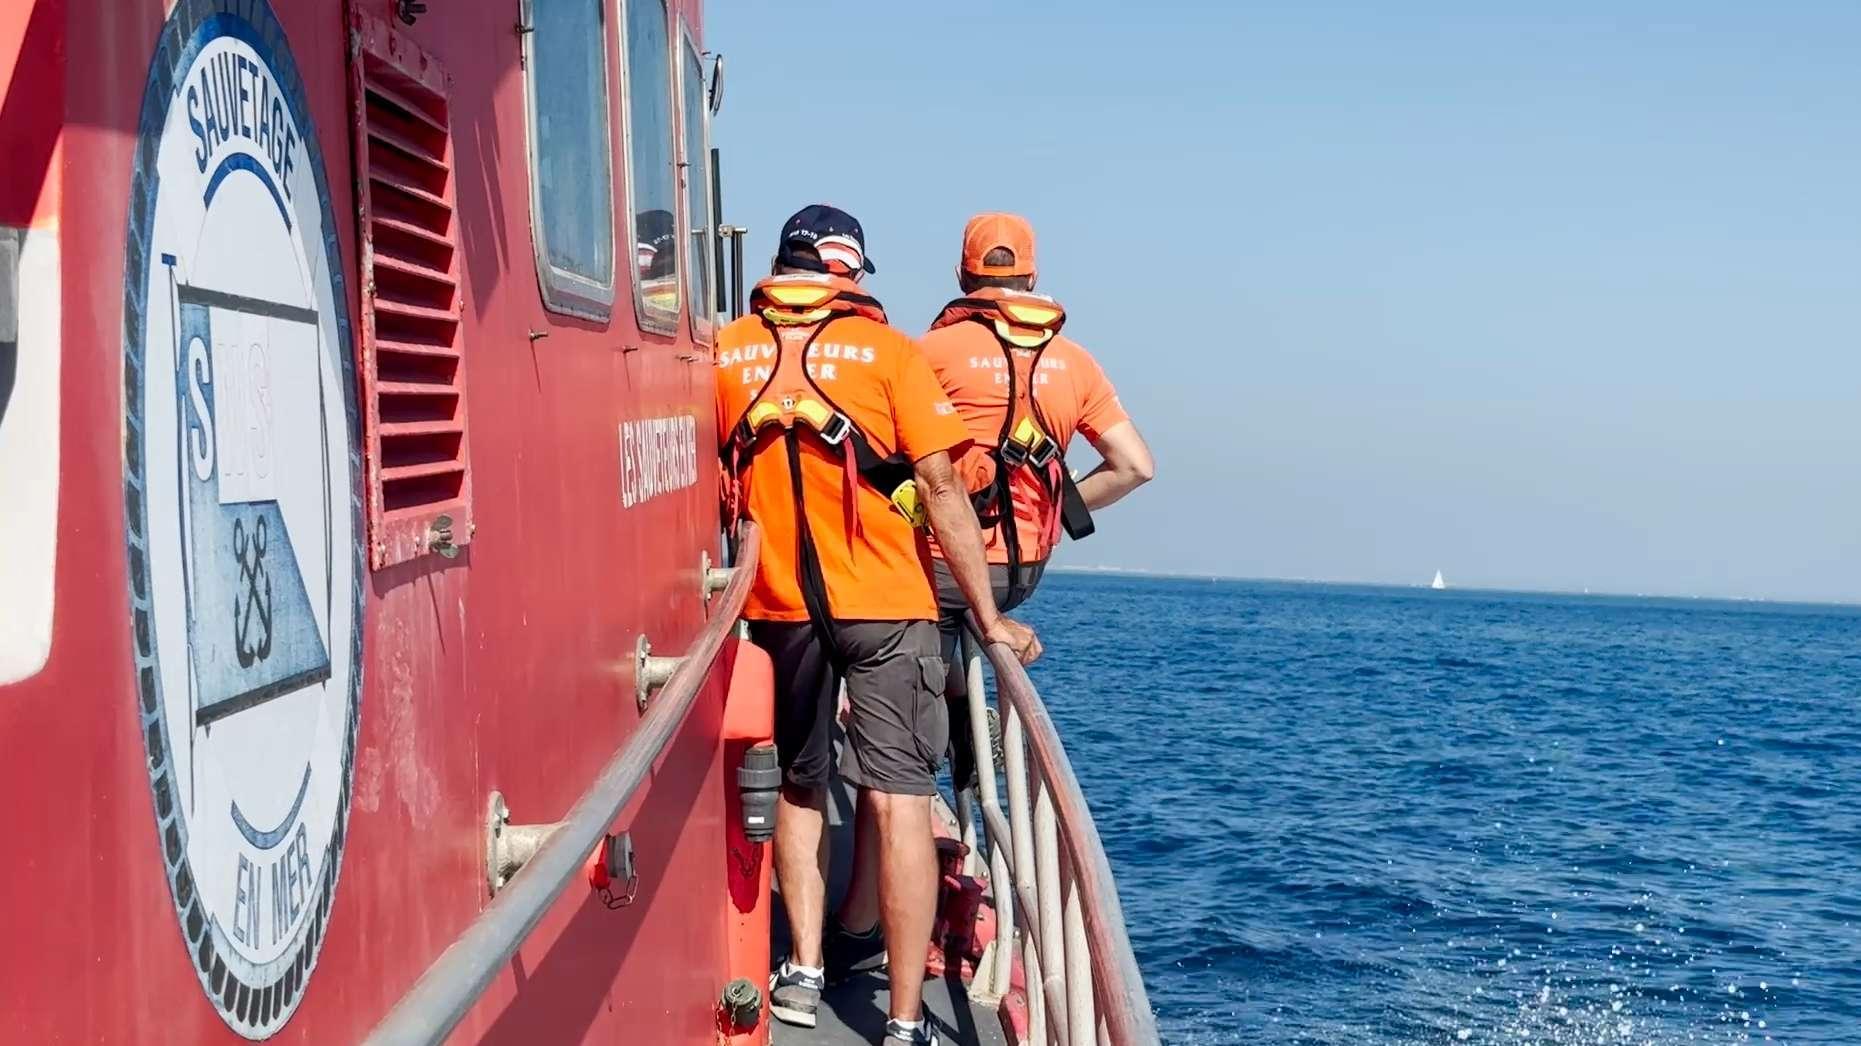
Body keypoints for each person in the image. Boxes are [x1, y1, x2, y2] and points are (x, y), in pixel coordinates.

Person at [715, 204, 1040, 1046]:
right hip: (888, 607)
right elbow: (940, 485)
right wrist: (988, 615)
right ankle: (902, 1020)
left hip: (780, 606)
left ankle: (801, 973)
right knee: (898, 801)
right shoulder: (890, 353)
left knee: (800, 784)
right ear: (848, 273)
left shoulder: (725, 350)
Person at [831, 211, 1156, 980]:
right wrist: (1058, 511)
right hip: (1019, 574)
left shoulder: (932, 350)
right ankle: (962, 786)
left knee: (892, 758)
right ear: (1033, 277)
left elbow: (875, 454)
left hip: (936, 568)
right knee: (949, 693)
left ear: (962, 275)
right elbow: (1135, 465)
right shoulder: (1074, 362)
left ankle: (861, 921)